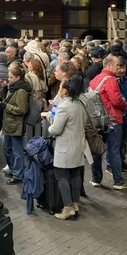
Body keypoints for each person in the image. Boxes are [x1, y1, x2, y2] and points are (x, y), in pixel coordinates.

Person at [48, 75, 87, 220]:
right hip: (78, 146)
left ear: (65, 91)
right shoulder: (79, 104)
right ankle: (75, 204)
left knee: (61, 176)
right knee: (75, 175)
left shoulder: (64, 106)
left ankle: (67, 207)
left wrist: (49, 123)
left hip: (65, 147)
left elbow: (55, 129)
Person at [89, 55, 127, 190]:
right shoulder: (111, 80)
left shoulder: (95, 79)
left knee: (97, 150)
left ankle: (96, 178)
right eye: (117, 65)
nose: (119, 68)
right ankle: (118, 181)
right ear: (109, 65)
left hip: (97, 120)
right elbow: (116, 101)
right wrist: (125, 104)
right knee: (114, 151)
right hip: (113, 120)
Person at [0, 63, 32, 185]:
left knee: (16, 151)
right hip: (9, 124)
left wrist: (6, 106)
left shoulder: (21, 91)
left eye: (11, 77)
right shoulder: (12, 88)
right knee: (7, 148)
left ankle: (18, 174)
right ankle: (15, 170)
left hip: (16, 125)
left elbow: (22, 109)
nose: (9, 79)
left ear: (18, 77)